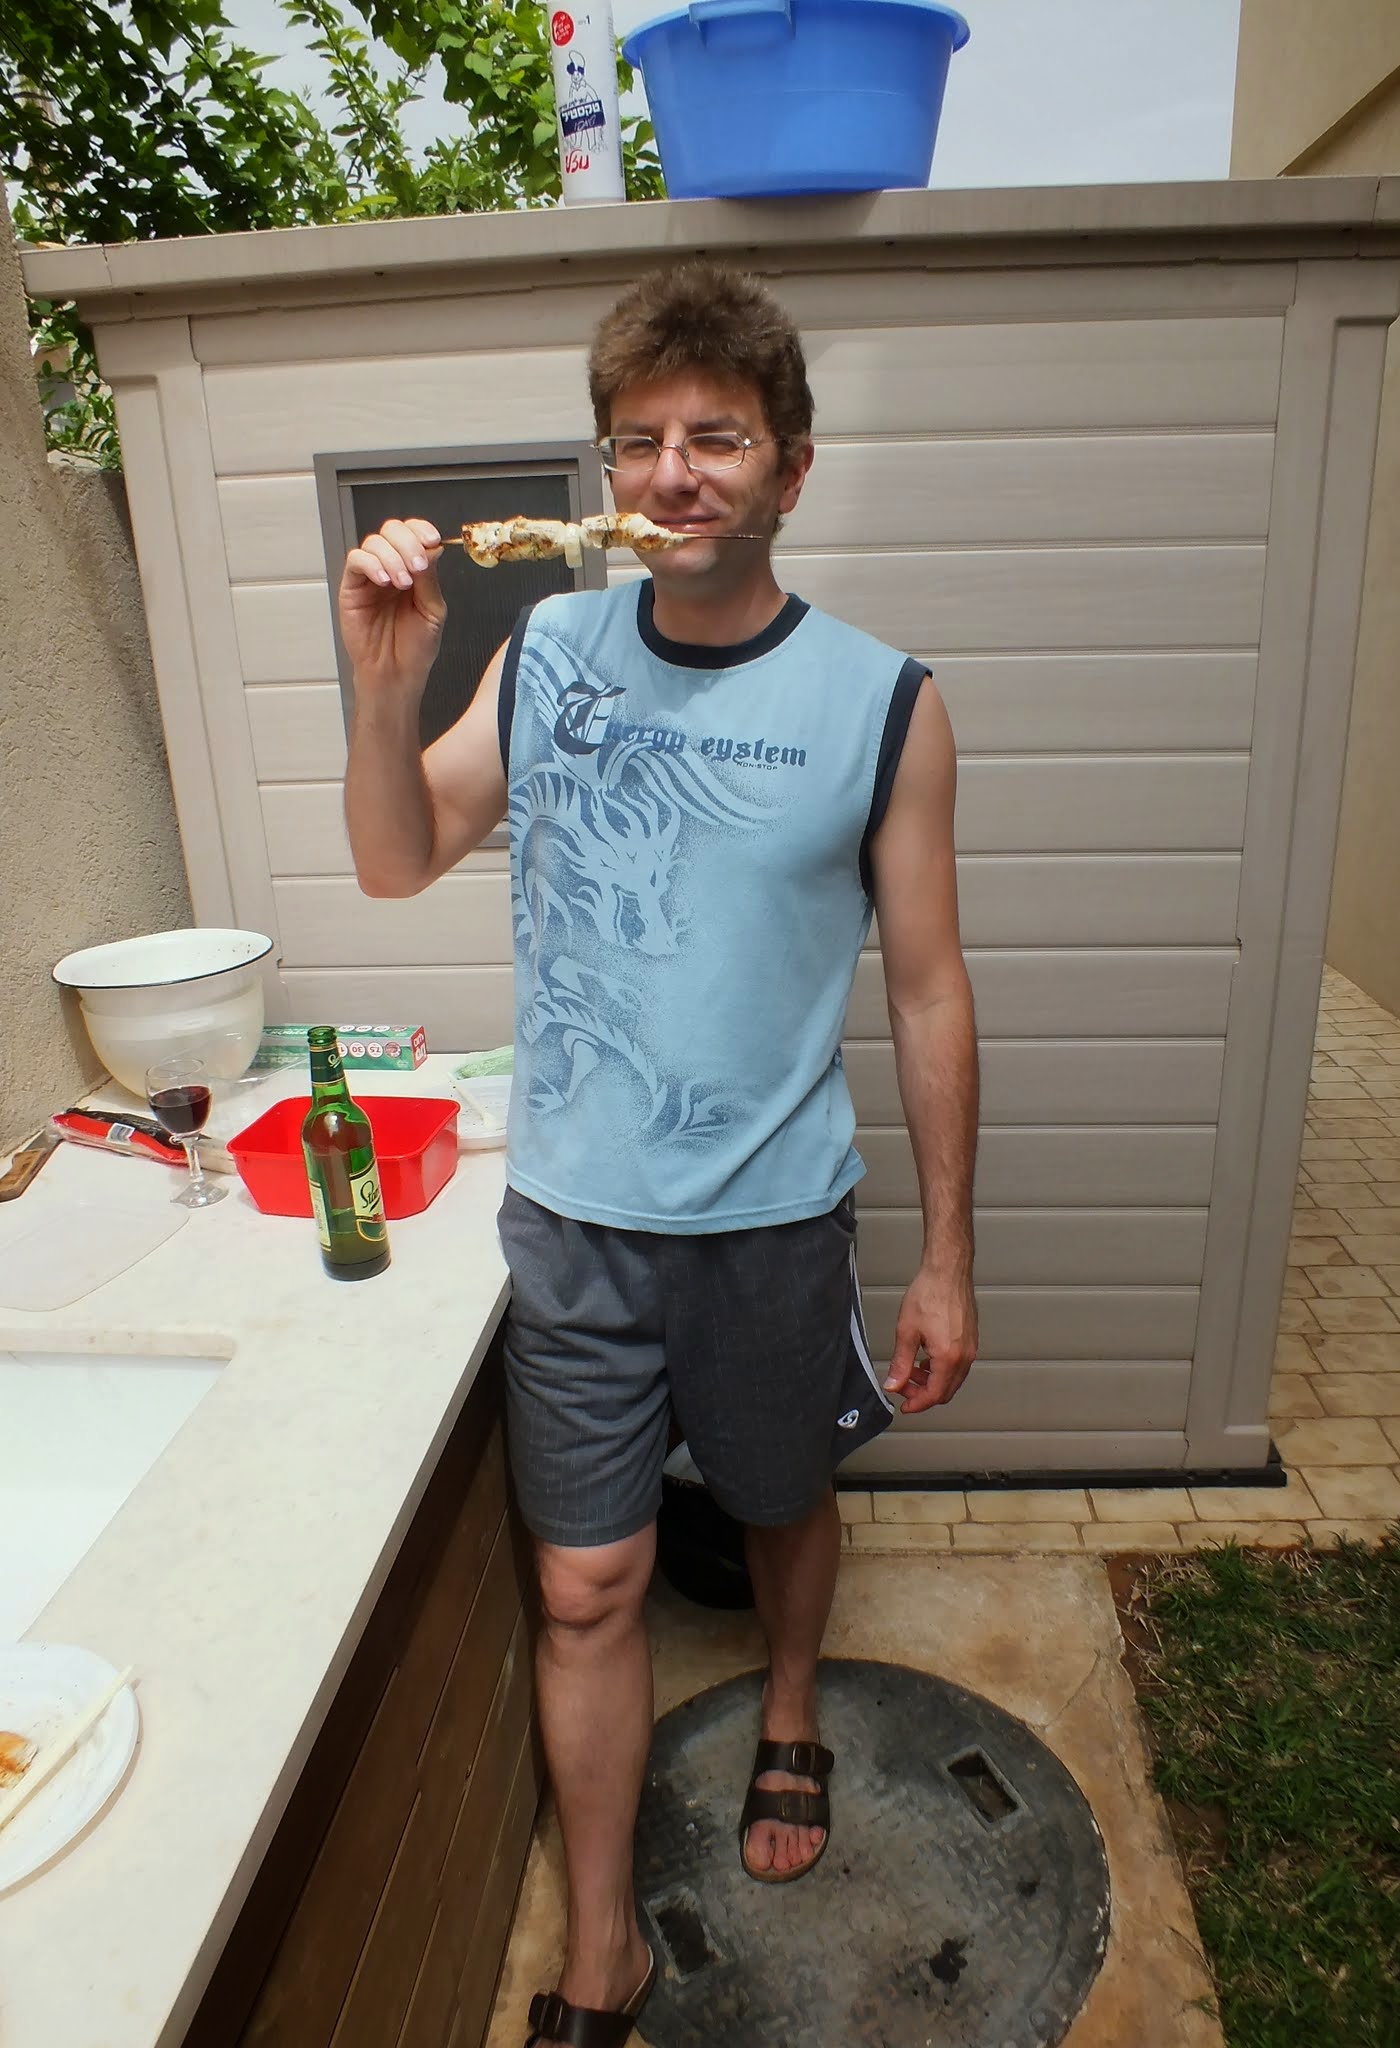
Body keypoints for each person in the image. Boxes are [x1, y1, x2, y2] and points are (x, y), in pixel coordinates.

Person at [338, 261, 979, 2048]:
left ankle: (789, 1705)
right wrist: (386, 688)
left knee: (781, 1500)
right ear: (609, 469)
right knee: (587, 1581)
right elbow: (396, 858)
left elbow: (929, 988)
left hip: (774, 1221)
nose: (675, 472)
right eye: (639, 439)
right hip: (577, 1223)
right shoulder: (549, 652)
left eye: (719, 436)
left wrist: (947, 1253)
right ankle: (603, 1944)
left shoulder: (884, 700)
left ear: (791, 468)